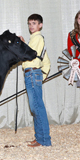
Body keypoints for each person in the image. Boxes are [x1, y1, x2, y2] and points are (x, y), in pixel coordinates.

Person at [20, 14, 51, 147]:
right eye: (29, 23)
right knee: (35, 107)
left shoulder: (37, 38)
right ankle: (40, 138)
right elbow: (45, 60)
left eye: (34, 23)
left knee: (37, 107)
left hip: (32, 73)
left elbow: (30, 55)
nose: (31, 26)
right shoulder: (35, 39)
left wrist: (22, 45)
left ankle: (44, 140)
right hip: (32, 74)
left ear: (40, 25)